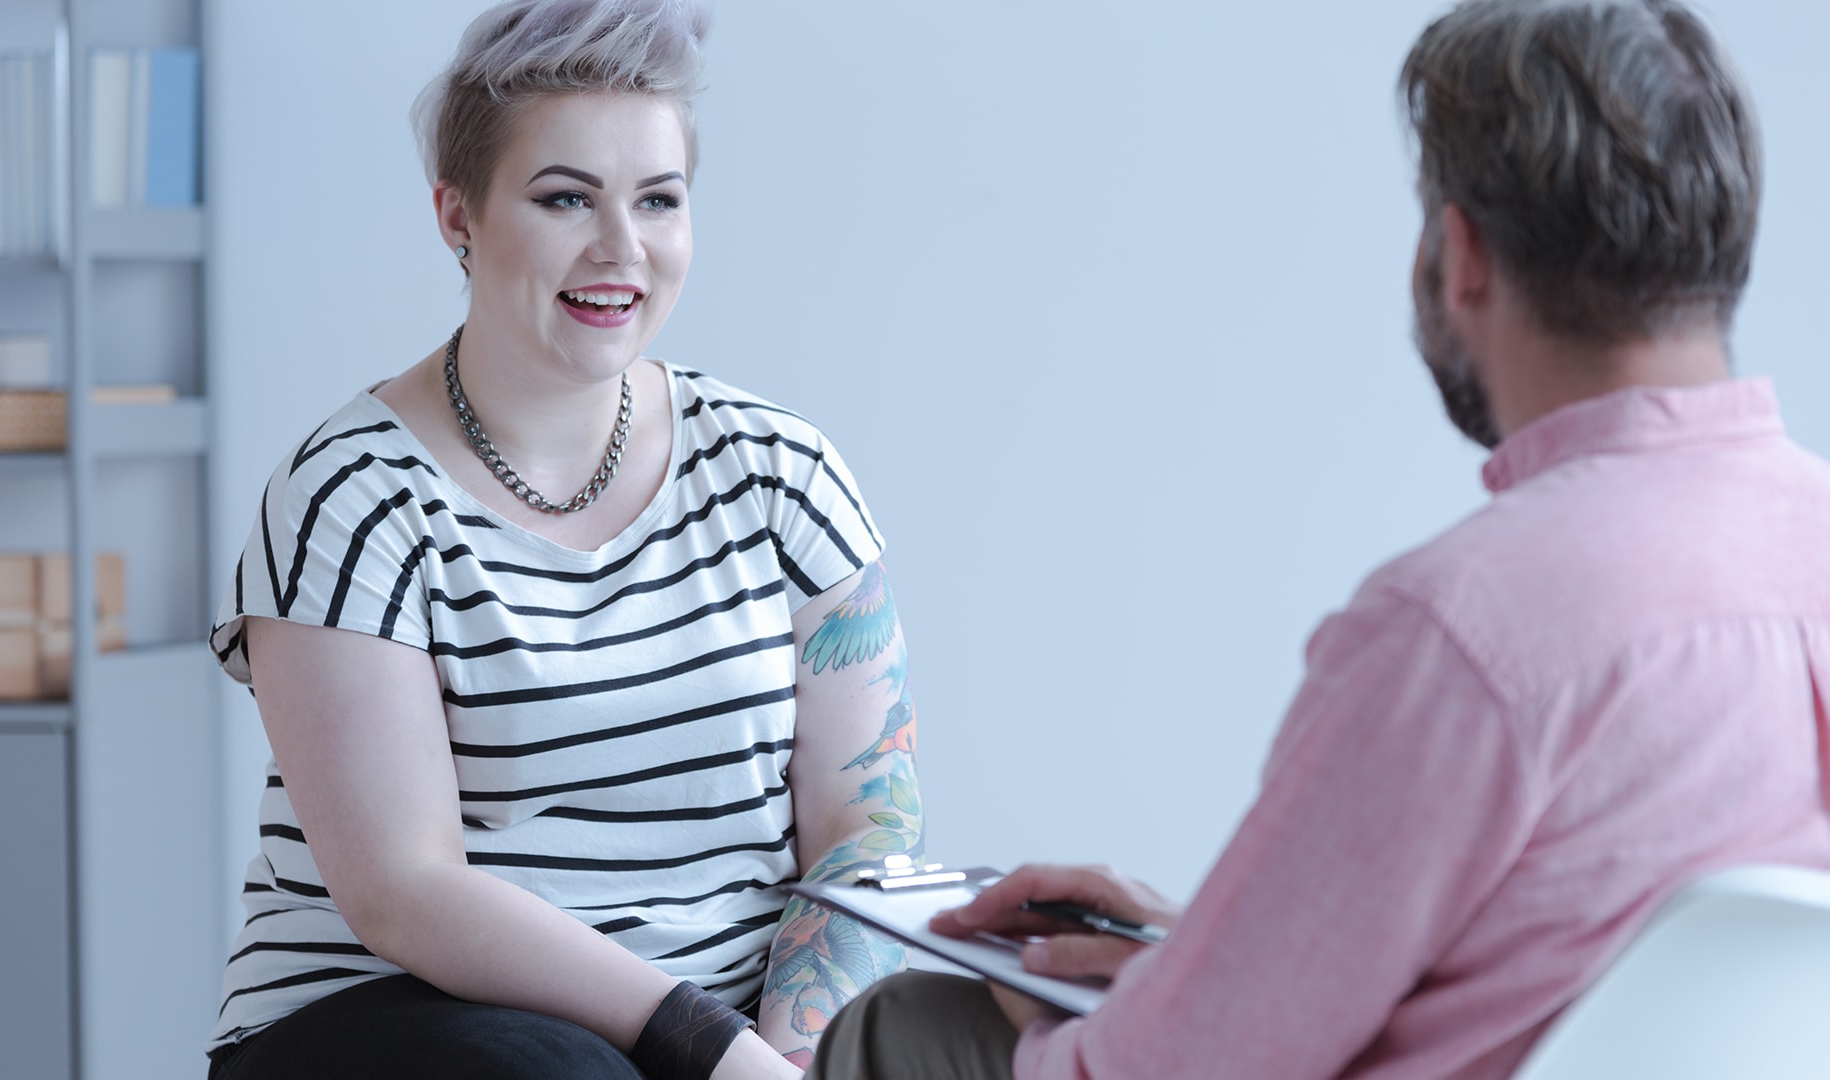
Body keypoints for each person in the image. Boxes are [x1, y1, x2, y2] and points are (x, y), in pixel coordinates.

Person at [810, 0, 1830, 1077]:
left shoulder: (1465, 631)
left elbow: (1181, 1069)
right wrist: (1203, 946)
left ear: (1463, 252)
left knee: (913, 1026)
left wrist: (1083, 1019)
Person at [202, 2, 922, 1076]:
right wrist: (705, 1047)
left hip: (734, 1046)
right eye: (565, 198)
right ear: (457, 214)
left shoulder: (785, 475)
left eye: (658, 201)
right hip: (399, 1020)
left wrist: (795, 1055)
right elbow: (407, 892)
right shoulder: (349, 496)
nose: (621, 250)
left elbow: (869, 828)